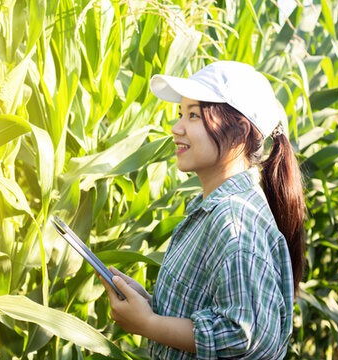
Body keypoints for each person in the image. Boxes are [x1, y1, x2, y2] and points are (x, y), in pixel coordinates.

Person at [97, 61, 305, 359]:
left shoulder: (234, 222)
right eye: (180, 113)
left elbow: (248, 336)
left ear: (239, 133)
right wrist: (151, 304)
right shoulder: (218, 209)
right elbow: (210, 309)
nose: (176, 127)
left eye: (194, 115)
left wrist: (149, 324)